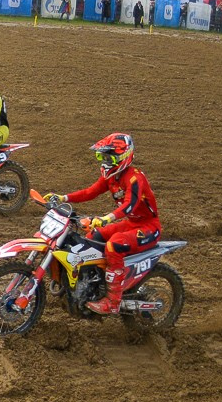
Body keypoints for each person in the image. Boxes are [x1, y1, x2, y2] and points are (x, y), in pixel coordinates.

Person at [53, 132, 160, 316]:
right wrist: (63, 197)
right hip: (132, 223)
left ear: (122, 157)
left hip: (148, 227)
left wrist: (106, 218)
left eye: (109, 156)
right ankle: (94, 284)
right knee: (92, 238)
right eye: (102, 156)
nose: (105, 160)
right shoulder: (112, 176)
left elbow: (128, 206)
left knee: (113, 246)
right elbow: (90, 192)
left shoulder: (135, 178)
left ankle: (112, 301)